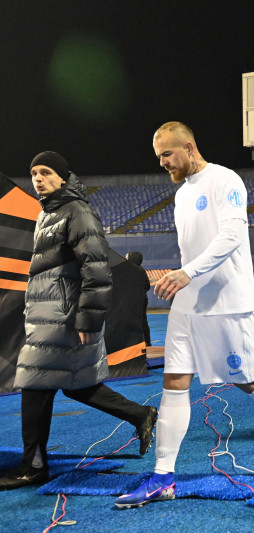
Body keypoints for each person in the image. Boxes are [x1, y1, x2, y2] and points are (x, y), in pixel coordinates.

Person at [115, 122, 254, 509]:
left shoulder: (226, 180)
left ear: (188, 147)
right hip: (190, 302)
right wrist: (184, 277)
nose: (163, 164)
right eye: (159, 158)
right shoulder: (180, 194)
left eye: (167, 155)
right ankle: (163, 477)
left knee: (248, 380)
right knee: (174, 382)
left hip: (228, 302)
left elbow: (232, 235)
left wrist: (188, 272)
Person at [0, 152, 157, 491]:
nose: (38, 178)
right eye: (34, 173)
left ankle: (34, 466)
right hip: (49, 317)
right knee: (78, 385)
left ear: (63, 177)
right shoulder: (49, 214)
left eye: (46, 172)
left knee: (35, 386)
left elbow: (96, 270)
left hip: (64, 320)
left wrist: (88, 320)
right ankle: (140, 416)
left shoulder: (77, 212)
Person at [126, 251, 152, 346]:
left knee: (131, 322)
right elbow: (148, 285)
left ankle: (133, 343)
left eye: (127, 256)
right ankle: (147, 343)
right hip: (142, 299)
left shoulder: (127, 271)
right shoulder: (141, 270)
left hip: (134, 300)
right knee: (143, 322)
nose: (125, 257)